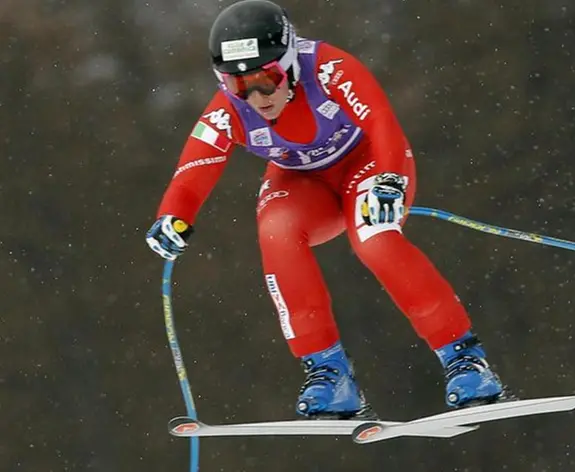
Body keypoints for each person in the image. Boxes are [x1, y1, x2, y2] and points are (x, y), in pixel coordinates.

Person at [145, 0, 510, 419]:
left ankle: (465, 361)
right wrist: (172, 218)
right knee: (277, 232)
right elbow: (193, 170)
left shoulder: (328, 68)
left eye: (267, 79)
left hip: (370, 162)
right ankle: (328, 374)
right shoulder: (229, 110)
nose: (257, 96)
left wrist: (389, 178)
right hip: (304, 183)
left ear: (290, 64)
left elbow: (381, 122)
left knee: (373, 239)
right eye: (238, 84)